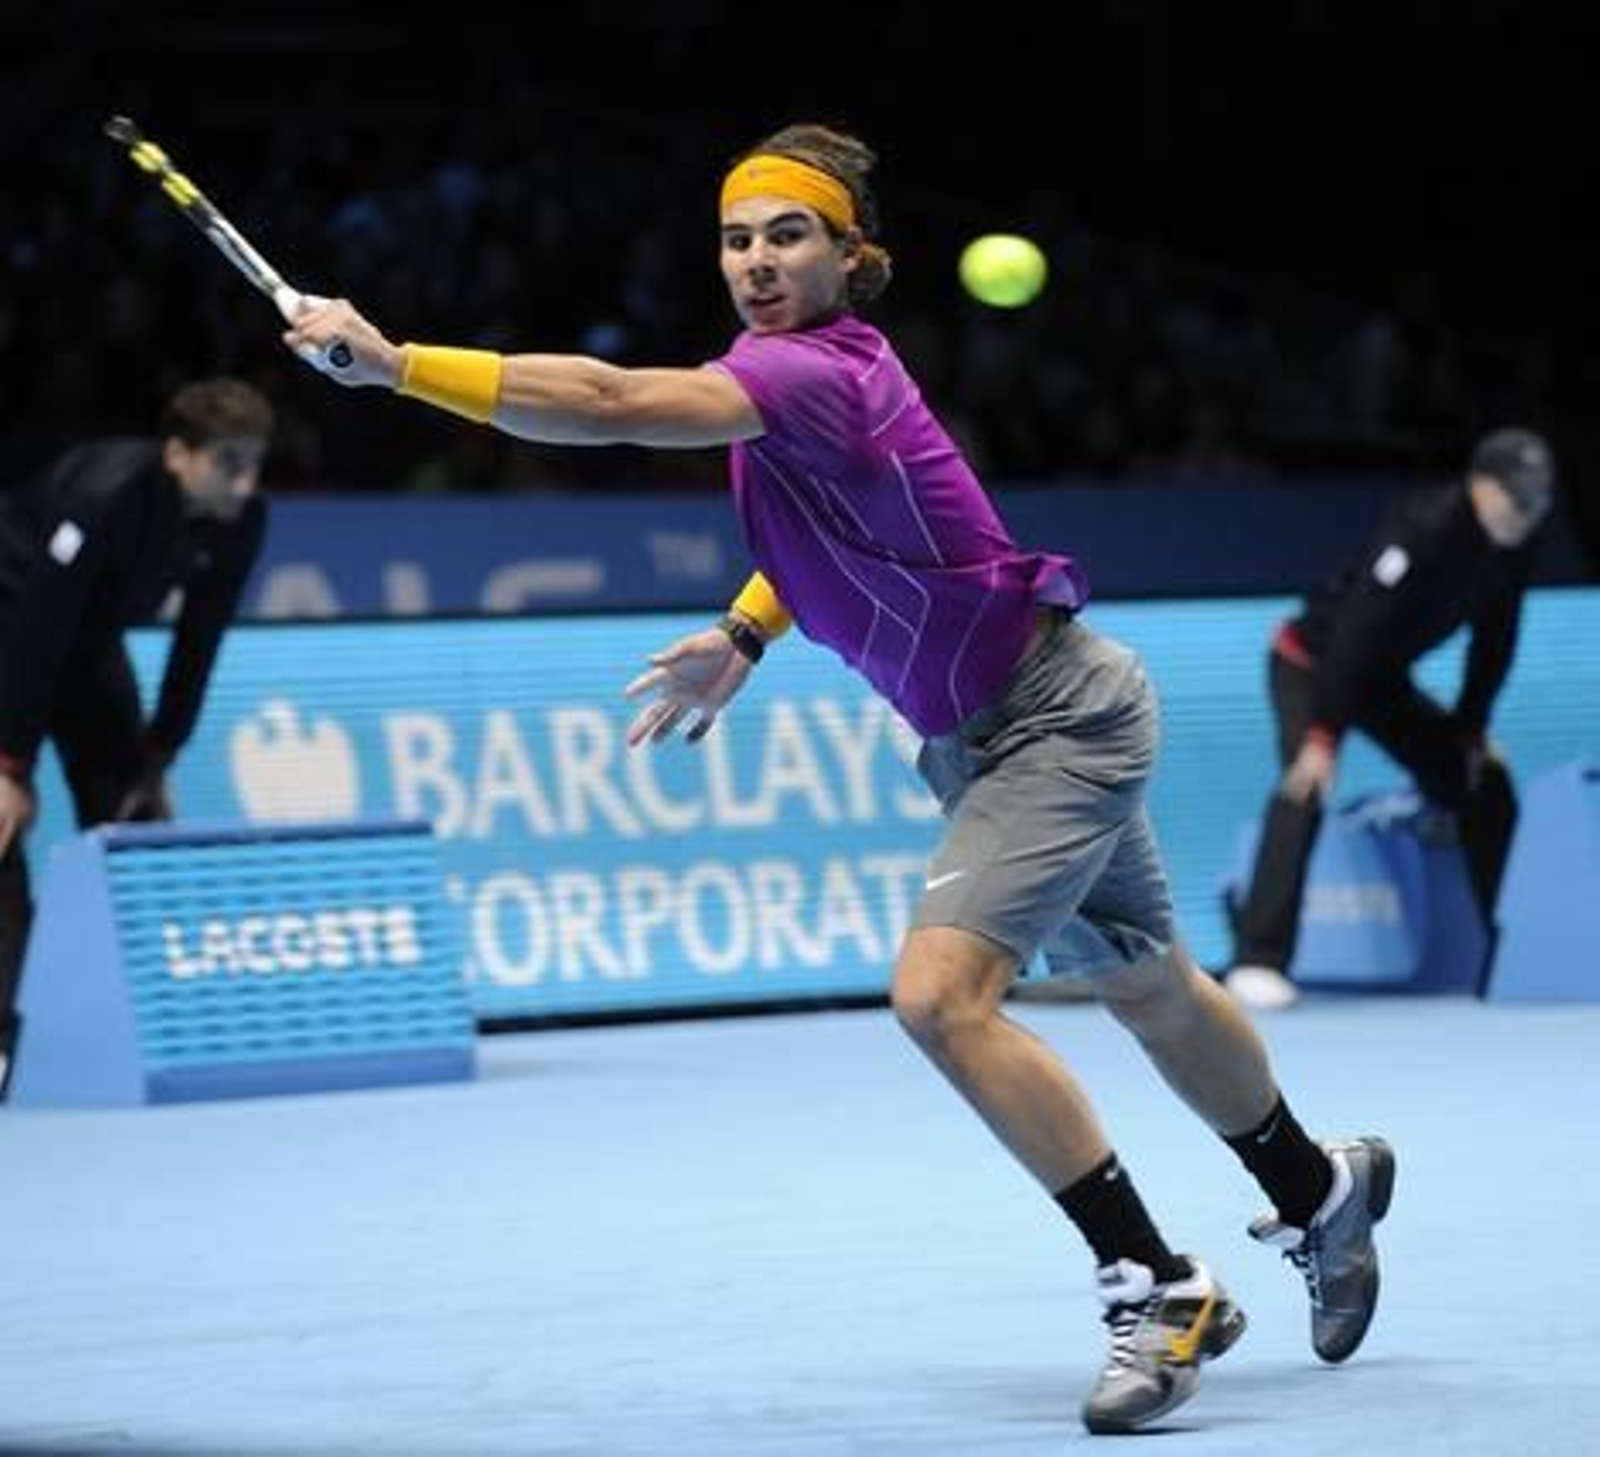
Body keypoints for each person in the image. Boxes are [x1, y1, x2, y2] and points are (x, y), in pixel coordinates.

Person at [284, 124, 1393, 1435]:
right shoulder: (789, 390)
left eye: (787, 234)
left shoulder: (814, 372)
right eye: (736, 239)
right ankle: (1319, 1190)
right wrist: (746, 631)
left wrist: (402, 366)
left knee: (939, 998)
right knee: (1145, 977)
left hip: (1053, 722)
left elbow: (613, 405)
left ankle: (1159, 1284)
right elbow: (830, 538)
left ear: (851, 255)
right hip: (988, 733)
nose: (755, 260)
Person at [0, 378, 273, 1094]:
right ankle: (6, 1042)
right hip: (12, 625)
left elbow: (199, 639)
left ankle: (152, 1024)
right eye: (229, 464)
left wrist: (159, 755)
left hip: (88, 649)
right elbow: (36, 625)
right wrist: (9, 764)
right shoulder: (103, 490)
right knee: (0, 832)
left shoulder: (242, 519)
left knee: (138, 820)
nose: (244, 483)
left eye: (253, 464)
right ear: (179, 454)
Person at [1222, 429, 1555, 1012]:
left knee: (1483, 783)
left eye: (1537, 501)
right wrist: (1323, 735)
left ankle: (1506, 953)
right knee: (1307, 785)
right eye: (1517, 497)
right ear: (1480, 484)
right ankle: (1258, 959)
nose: (1527, 513)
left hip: (1378, 678)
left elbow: (1495, 642)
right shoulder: (1424, 525)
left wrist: (1470, 729)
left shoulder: (1513, 544)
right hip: (1311, 663)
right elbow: (1357, 631)